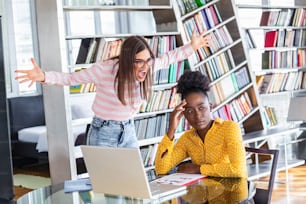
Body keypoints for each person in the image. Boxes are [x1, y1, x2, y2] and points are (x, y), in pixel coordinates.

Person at [15, 32, 211, 148]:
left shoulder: (148, 67)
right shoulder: (105, 70)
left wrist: (192, 46)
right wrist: (43, 77)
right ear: (127, 60)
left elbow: (169, 57)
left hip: (128, 129)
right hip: (102, 132)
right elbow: (71, 78)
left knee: (133, 182)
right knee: (106, 188)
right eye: (138, 62)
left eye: (148, 61)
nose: (145, 67)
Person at [154, 70, 248, 178]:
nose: (197, 116)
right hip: (202, 192)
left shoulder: (229, 128)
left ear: (211, 107)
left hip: (231, 191)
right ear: (183, 114)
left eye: (201, 108)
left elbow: (238, 170)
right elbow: (161, 169)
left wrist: (199, 169)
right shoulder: (187, 139)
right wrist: (171, 129)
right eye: (190, 111)